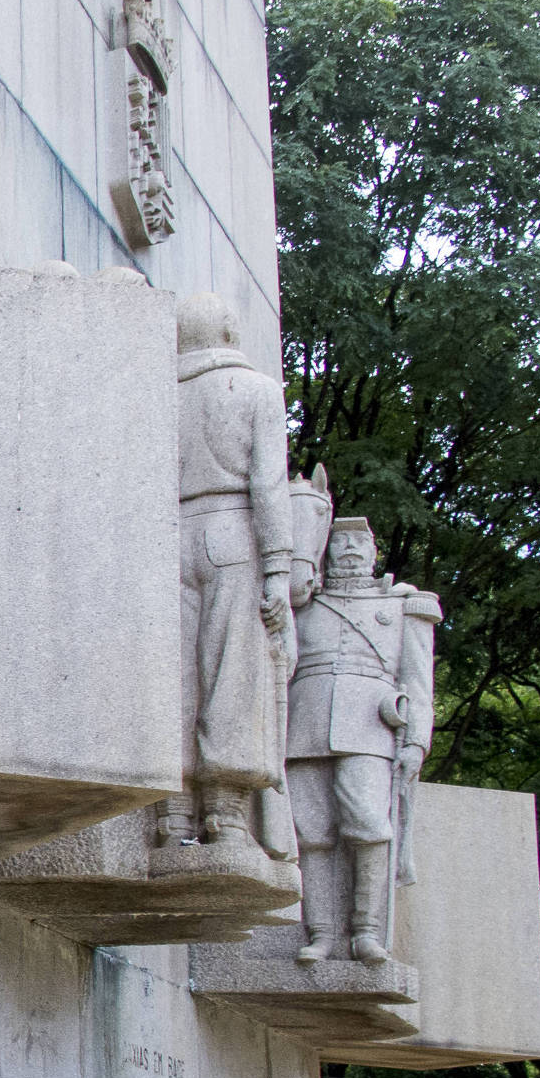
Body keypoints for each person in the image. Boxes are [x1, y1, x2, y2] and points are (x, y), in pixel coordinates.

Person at [167, 293, 291, 850]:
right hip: (233, 532)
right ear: (227, 332)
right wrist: (278, 570)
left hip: (171, 536)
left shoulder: (162, 391)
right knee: (231, 675)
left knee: (176, 677)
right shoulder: (258, 391)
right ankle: (225, 814)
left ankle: (170, 812)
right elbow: (269, 485)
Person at [287, 518, 438, 962]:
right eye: (340, 541)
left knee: (369, 825)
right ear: (325, 550)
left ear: (375, 551)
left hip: (370, 725)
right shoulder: (303, 604)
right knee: (311, 833)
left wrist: (416, 742)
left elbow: (417, 682)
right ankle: (320, 934)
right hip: (305, 723)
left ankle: (366, 931)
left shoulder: (401, 605)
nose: (350, 549)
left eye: (360, 542)